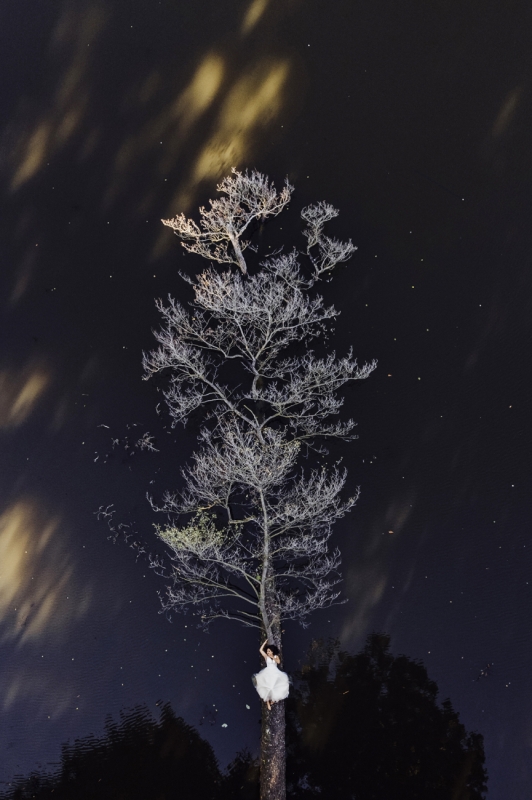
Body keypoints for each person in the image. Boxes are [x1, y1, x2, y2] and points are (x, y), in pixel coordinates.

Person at [252, 638, 289, 710]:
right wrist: (265, 642)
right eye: (267, 651)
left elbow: (278, 662)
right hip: (268, 671)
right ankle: (267, 702)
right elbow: (260, 650)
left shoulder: (275, 656)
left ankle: (272, 700)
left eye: (269, 651)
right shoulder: (266, 657)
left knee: (275, 685)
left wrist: (273, 657)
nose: (268, 652)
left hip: (275, 671)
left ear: (272, 651)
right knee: (267, 686)